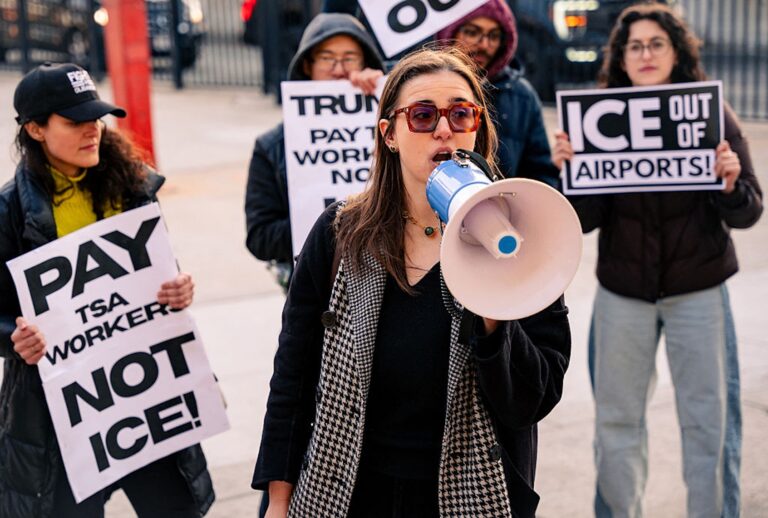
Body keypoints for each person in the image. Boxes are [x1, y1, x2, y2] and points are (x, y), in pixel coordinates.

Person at [251, 46, 571, 518]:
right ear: (390, 134)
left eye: (461, 114)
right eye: (423, 115)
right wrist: (279, 499)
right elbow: (294, 374)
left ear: (477, 127)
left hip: (467, 496)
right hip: (349, 488)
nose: (444, 129)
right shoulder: (340, 232)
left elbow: (532, 398)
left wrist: (495, 297)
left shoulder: (523, 235)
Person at [552, 5, 763, 517]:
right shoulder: (598, 117)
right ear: (621, 57)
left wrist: (730, 184)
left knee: (709, 425)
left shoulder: (712, 114)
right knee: (617, 425)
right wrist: (571, 175)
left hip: (699, 292)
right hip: (624, 295)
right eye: (635, 45)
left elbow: (750, 211)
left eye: (656, 43)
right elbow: (583, 220)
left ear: (677, 51)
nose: (645, 54)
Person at [0, 63, 213, 517]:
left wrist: (178, 289)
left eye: (95, 118)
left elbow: (158, 275)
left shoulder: (134, 186)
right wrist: (14, 340)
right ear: (36, 129)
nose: (92, 130)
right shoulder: (9, 212)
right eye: (74, 122)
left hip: (144, 395)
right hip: (65, 412)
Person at [244, 13, 384, 292]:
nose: (338, 69)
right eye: (327, 58)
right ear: (307, 65)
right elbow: (259, 237)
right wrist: (320, 221)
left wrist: (386, 89)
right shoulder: (272, 146)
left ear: (364, 62)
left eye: (349, 58)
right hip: (315, 288)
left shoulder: (392, 125)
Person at [436, 0, 560, 187]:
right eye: (472, 32)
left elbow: (539, 176)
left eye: (494, 36)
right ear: (450, 32)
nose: (484, 45)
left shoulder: (522, 96)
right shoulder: (422, 87)